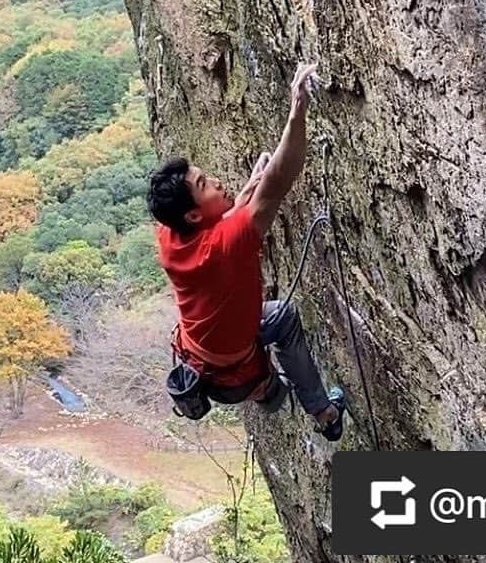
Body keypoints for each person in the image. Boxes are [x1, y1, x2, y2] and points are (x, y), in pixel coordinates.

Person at [147, 62, 345, 440]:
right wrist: (297, 108)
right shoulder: (223, 244)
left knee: (278, 319)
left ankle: (280, 393)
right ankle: (324, 414)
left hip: (203, 353)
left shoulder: (170, 236)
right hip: (231, 365)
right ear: (191, 213)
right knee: (283, 319)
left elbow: (218, 231)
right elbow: (278, 182)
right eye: (205, 184)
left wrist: (240, 200)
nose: (216, 181)